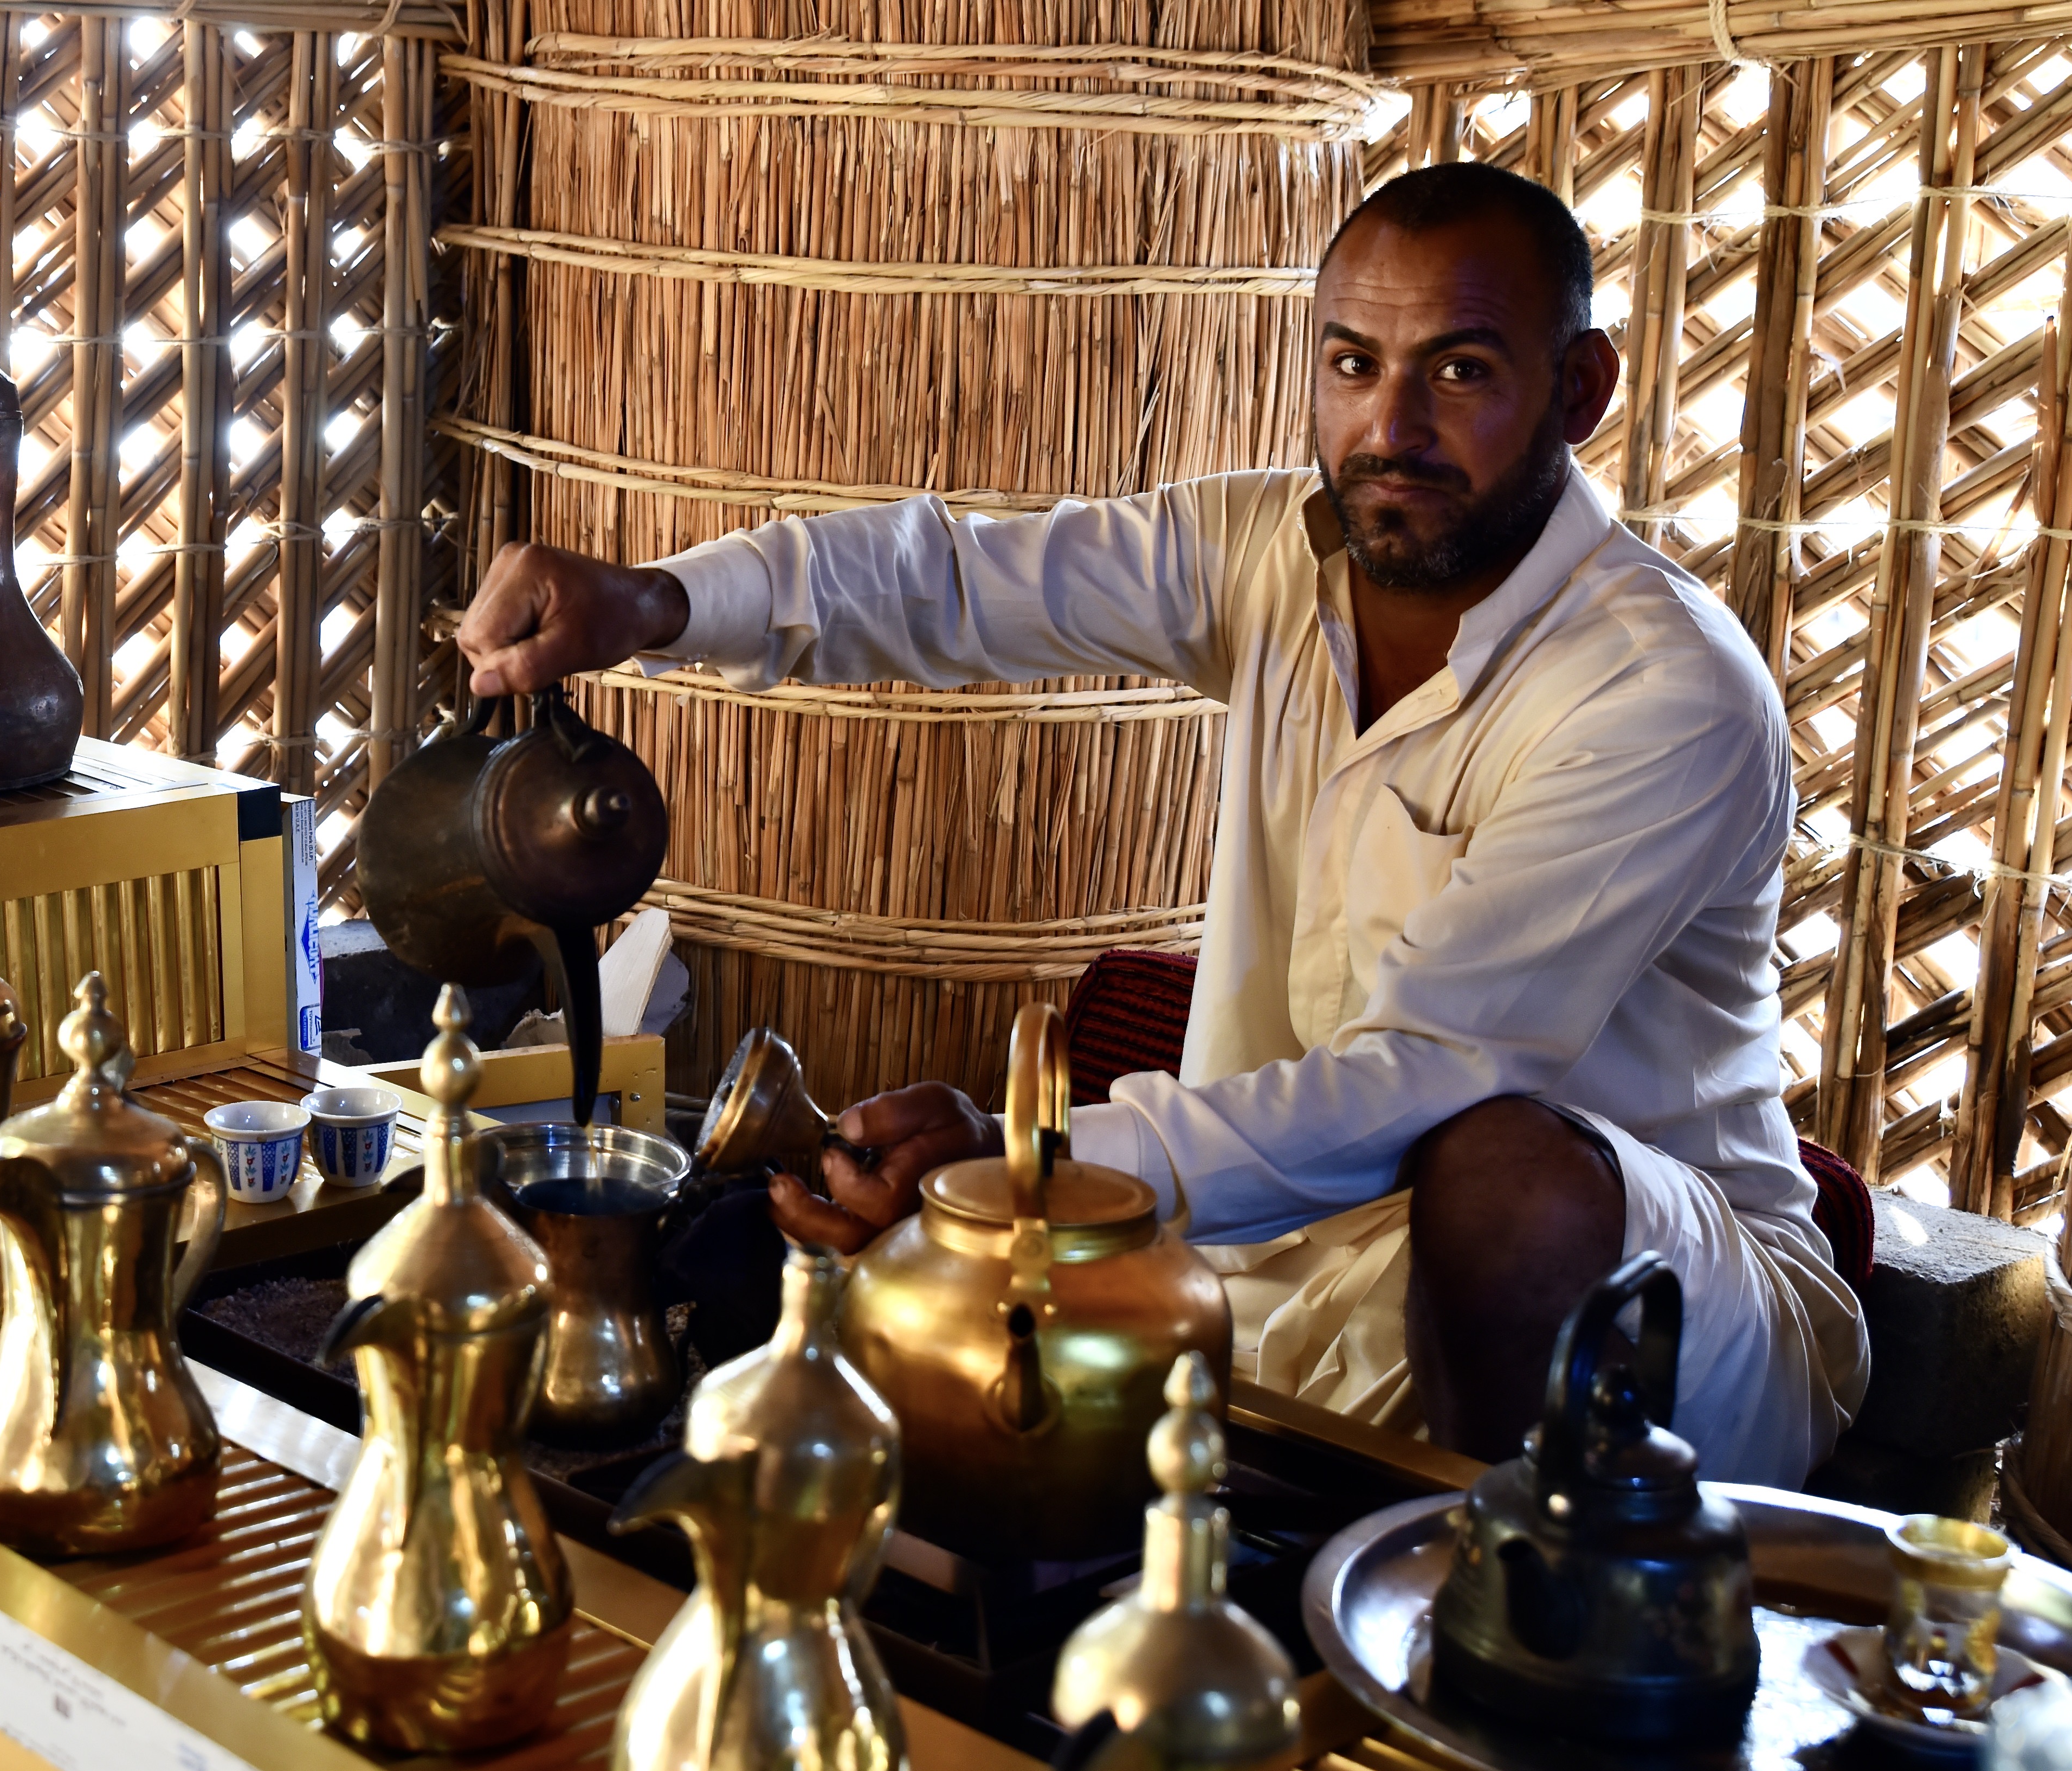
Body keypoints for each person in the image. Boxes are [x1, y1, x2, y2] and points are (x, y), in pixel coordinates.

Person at [453, 162, 1869, 1486]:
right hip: (1301, 1237)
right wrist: (653, 605)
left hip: (1649, 1296)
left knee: (1500, 1182)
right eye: (1353, 365)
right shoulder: (1274, 552)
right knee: (852, 1333)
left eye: (1462, 370)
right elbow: (963, 582)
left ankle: (1468, 1635)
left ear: (1580, 388)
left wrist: (1028, 1172)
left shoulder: (1660, 687)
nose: (1392, 427)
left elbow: (1429, 1077)